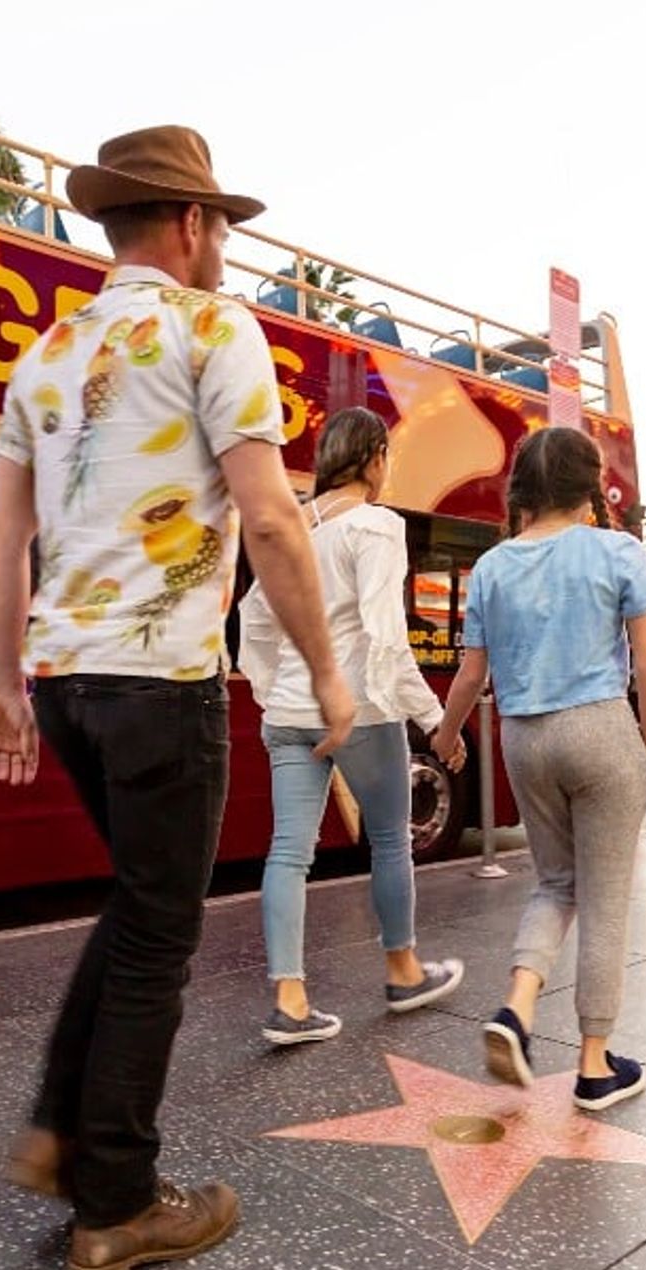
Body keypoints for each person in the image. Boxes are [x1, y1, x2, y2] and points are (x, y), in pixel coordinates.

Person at [0, 125, 354, 1270]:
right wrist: (328, 674)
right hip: (161, 684)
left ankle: (60, 1135)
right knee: (160, 937)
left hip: (67, 682)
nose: (227, 248)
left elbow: (5, 533)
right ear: (191, 226)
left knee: (137, 910)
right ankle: (121, 1203)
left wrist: (1, 685)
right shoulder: (211, 328)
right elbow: (276, 516)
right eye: (223, 227)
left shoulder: (42, 359)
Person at [431, 427, 646, 1111]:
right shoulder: (617, 550)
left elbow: (470, 675)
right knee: (605, 899)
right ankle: (595, 1064)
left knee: (554, 884)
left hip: (523, 740)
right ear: (588, 484)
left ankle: (516, 1008)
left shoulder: (493, 567)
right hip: (598, 731)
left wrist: (449, 737)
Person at [239, 407, 466, 1046]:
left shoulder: (293, 525)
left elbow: (252, 619)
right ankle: (402, 972)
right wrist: (433, 717)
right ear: (373, 458)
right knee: (391, 840)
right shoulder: (375, 526)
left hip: (289, 712)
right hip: (361, 709)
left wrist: (271, 689)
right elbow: (387, 637)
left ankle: (290, 1001)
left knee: (289, 852)